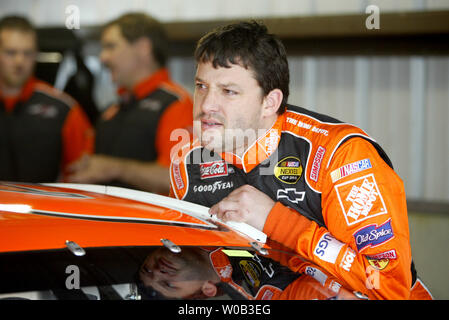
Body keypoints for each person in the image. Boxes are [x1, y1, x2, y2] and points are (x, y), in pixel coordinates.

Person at [169, 21, 433, 300]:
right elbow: (202, 259)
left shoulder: (340, 156)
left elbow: (388, 286)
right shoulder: (188, 160)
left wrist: (279, 222)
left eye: (228, 91)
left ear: (270, 103)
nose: (206, 105)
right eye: (201, 86)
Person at [68, 13, 193, 194]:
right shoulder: (111, 111)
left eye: (111, 46)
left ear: (143, 47)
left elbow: (179, 179)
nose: (103, 57)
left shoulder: (177, 104)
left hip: (148, 222)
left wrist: (115, 168)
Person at [0, 16, 94, 183]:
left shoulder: (62, 108)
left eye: (27, 53)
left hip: (43, 207)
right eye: (11, 52)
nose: (19, 61)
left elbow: (82, 175)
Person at [138, 246, 361, 300]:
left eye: (147, 269)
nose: (158, 273)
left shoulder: (187, 210)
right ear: (207, 289)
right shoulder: (267, 292)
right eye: (167, 285)